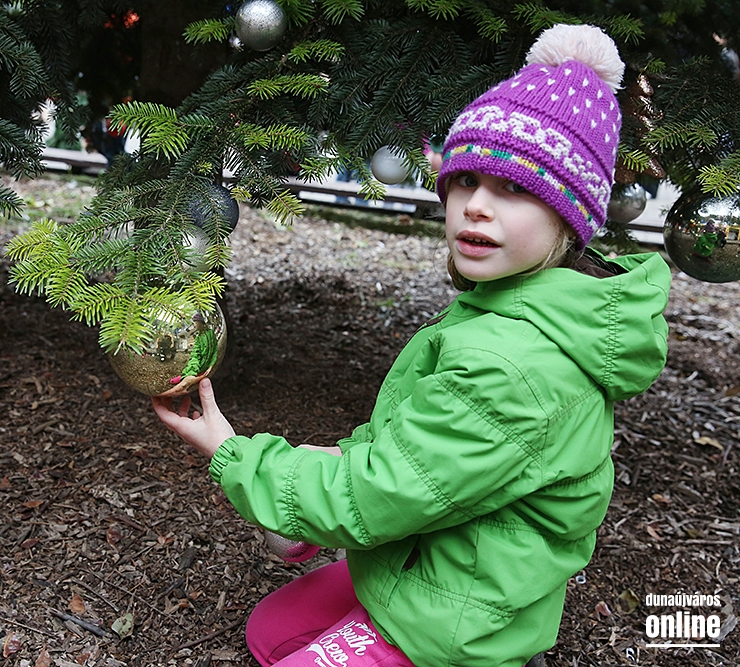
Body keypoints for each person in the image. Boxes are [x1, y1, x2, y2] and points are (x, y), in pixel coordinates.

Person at [153, 23, 671, 667]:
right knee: (271, 632)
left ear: (570, 217)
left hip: (457, 619)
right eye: (466, 181)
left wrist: (234, 456)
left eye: (516, 189)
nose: (476, 207)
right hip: (435, 557)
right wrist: (312, 486)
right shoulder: (512, 307)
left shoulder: (514, 367)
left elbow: (383, 493)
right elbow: (413, 453)